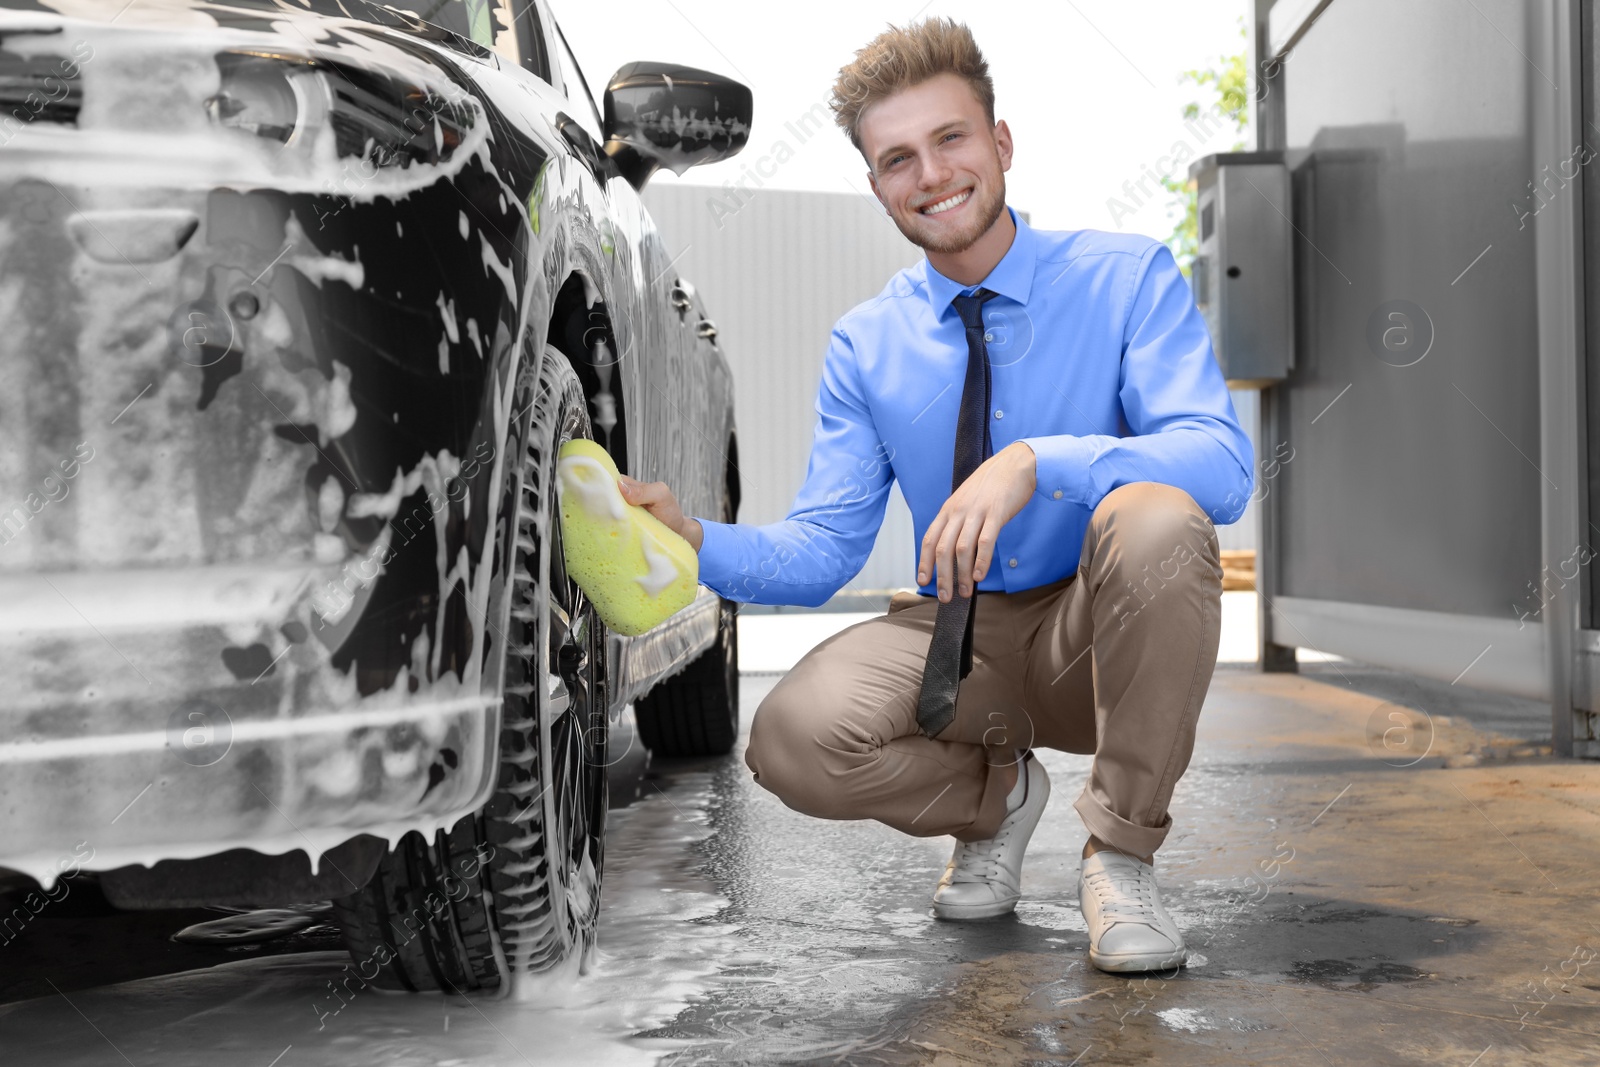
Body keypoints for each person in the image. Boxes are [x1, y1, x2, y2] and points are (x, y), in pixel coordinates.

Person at [617, 16, 1254, 974]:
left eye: (950, 138)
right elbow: (825, 548)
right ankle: (993, 803)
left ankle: (1120, 854)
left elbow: (1223, 466)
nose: (931, 174)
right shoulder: (866, 344)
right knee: (788, 740)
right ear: (877, 185)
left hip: (1100, 633)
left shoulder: (1125, 279)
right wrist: (690, 537)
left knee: (1158, 516)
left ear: (1000, 144)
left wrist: (1039, 459)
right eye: (897, 158)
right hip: (960, 645)